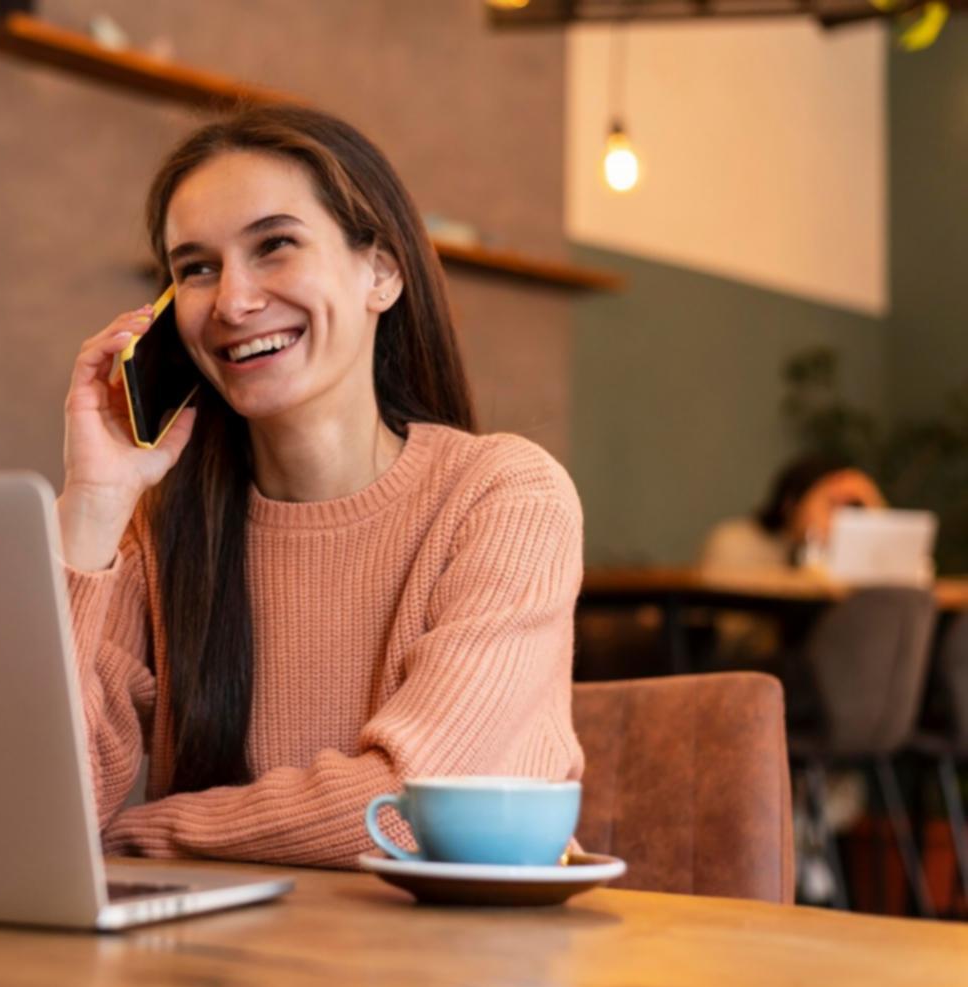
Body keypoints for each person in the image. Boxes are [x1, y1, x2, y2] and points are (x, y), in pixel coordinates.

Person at [55, 105, 583, 868]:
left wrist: (141, 835)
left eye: (274, 246)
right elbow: (40, 803)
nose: (233, 302)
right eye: (196, 268)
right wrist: (92, 509)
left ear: (381, 271)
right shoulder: (161, 528)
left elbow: (408, 812)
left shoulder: (504, 495)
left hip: (451, 970)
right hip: (224, 971)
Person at [699, 454, 887, 575]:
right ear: (790, 504)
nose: (839, 518)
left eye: (848, 507)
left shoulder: (844, 553)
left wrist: (871, 501)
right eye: (830, 504)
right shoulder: (735, 542)